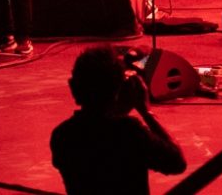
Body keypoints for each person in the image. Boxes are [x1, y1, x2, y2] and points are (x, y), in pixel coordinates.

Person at [50, 46, 186, 194]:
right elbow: (176, 163)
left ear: (73, 87)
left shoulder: (62, 135)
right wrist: (146, 112)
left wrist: (117, 106)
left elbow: (99, 132)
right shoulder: (130, 132)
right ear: (118, 90)